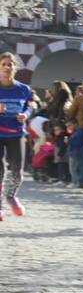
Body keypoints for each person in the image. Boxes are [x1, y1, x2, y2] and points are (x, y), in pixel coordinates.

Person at [0, 52, 31, 220]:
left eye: (10, 64)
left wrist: (25, 115)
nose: (7, 67)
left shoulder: (23, 89)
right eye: (4, 64)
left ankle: (11, 196)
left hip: (16, 132)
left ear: (15, 68)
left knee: (17, 169)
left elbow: (28, 107)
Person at [65, 116, 83, 189]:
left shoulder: (79, 132)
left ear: (75, 124)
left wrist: (68, 141)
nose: (69, 127)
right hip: (78, 153)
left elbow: (77, 142)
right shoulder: (77, 132)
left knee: (73, 168)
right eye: (67, 126)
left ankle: (75, 182)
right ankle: (81, 182)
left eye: (70, 125)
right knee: (80, 168)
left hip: (76, 153)